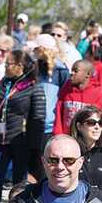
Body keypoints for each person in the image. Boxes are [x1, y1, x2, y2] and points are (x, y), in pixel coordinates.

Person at [0, 50, 45, 203]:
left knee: (20, 184)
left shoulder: (34, 87)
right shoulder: (4, 83)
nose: (5, 66)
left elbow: (38, 119)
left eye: (9, 63)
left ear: (20, 66)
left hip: (21, 142)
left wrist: (35, 148)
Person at [33, 34, 70, 179]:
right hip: (35, 123)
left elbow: (63, 98)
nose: (34, 52)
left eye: (36, 48)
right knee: (34, 163)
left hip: (51, 125)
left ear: (42, 49)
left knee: (46, 164)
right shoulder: (35, 68)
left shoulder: (61, 71)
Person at [53, 60, 102, 135]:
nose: (72, 73)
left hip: (86, 140)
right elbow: (59, 112)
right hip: (66, 138)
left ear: (88, 74)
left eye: (76, 71)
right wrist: (58, 134)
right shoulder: (66, 89)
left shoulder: (97, 94)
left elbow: (99, 120)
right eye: (72, 70)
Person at [71, 106, 102, 194]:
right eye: (91, 123)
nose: (97, 127)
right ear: (79, 126)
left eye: (101, 123)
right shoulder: (69, 152)